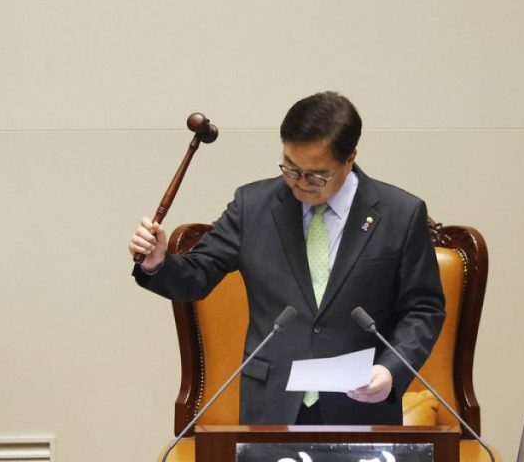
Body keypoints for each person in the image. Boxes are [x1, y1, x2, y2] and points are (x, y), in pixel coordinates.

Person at [128, 92, 445, 425]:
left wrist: (391, 369)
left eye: (317, 175)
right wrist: (158, 263)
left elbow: (423, 308)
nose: (301, 184)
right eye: (291, 169)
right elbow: (196, 275)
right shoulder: (254, 206)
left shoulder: (400, 214)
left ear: (349, 158)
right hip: (271, 402)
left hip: (361, 402)